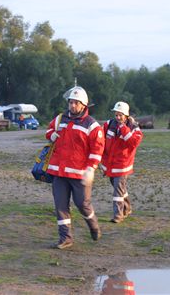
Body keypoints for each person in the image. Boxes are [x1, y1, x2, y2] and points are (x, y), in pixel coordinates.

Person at [45, 86, 105, 249]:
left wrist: (91, 169)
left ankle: (93, 225)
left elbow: (97, 149)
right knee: (61, 206)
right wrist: (51, 135)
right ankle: (66, 238)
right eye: (71, 102)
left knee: (83, 204)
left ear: (83, 105)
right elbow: (49, 130)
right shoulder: (60, 119)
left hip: (80, 174)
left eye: (76, 103)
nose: (72, 106)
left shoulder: (92, 125)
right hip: (59, 171)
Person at [100, 101, 143, 223]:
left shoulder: (134, 128)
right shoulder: (108, 125)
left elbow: (134, 143)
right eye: (116, 115)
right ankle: (128, 207)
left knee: (117, 190)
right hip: (110, 164)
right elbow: (101, 140)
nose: (118, 118)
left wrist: (124, 129)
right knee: (119, 187)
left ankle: (118, 215)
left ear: (126, 116)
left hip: (122, 165)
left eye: (120, 115)